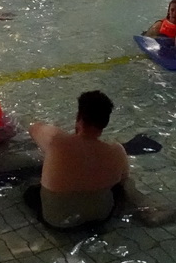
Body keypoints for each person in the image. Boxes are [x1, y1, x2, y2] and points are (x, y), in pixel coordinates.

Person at [26, 91, 130, 229]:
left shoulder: (56, 141)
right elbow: (122, 183)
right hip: (101, 217)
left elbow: (34, 128)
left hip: (57, 222)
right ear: (105, 123)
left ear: (79, 117)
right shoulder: (117, 151)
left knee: (29, 191)